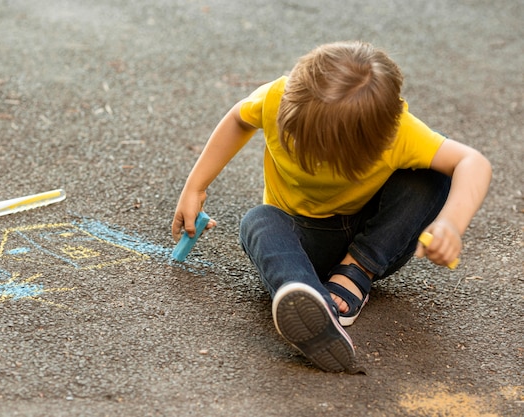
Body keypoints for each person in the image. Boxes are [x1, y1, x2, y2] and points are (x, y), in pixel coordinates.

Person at [171, 41, 492, 373]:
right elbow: (240, 118)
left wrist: (451, 224)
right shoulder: (277, 98)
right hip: (300, 242)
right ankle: (310, 301)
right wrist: (195, 186)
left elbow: (473, 162)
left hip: (380, 241)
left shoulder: (399, 131)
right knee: (258, 221)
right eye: (296, 139)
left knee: (431, 172)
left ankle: (355, 272)